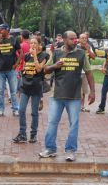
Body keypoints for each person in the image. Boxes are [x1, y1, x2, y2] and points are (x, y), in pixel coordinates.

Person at [39, 31, 95, 162]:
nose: (75, 41)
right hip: (57, 94)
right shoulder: (57, 53)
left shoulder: (81, 54)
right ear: (64, 39)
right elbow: (45, 69)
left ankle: (70, 150)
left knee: (74, 124)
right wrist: (55, 65)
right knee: (52, 122)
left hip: (74, 95)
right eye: (71, 39)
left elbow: (89, 72)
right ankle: (50, 148)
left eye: (76, 38)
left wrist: (92, 91)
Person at [13, 36, 49, 143]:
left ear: (39, 45)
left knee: (34, 112)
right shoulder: (26, 56)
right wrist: (23, 71)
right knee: (21, 110)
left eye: (35, 43)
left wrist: (35, 57)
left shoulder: (44, 55)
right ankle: (22, 133)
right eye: (31, 43)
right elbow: (24, 67)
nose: (32, 45)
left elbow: (38, 69)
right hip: (25, 87)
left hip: (36, 87)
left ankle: (33, 134)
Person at [0, 23, 23, 117]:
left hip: (11, 70)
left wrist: (16, 64)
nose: (0, 31)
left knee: (13, 91)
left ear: (7, 30)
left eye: (2, 29)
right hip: (0, 70)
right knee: (0, 91)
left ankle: (15, 109)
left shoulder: (14, 40)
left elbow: (21, 53)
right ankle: (0, 110)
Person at [77, 33, 97, 112]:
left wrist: (88, 49)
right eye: (82, 38)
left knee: (84, 90)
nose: (84, 40)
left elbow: (93, 57)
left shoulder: (89, 46)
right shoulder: (76, 46)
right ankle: (75, 105)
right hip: (77, 71)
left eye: (85, 38)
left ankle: (82, 106)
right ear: (79, 39)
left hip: (85, 72)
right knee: (78, 90)